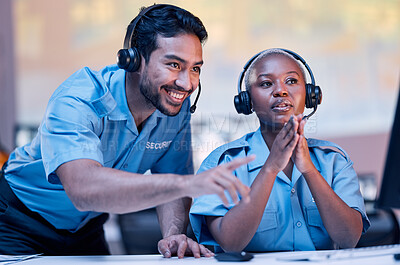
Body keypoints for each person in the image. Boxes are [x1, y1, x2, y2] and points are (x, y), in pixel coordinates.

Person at [0, 4, 253, 257]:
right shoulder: (79, 99)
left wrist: (174, 234)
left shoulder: (174, 106)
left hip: (85, 227)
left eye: (195, 68)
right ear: (134, 60)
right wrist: (190, 183)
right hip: (19, 219)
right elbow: (84, 189)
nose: (187, 84)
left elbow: (173, 178)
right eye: (174, 65)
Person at [189, 48, 370, 253]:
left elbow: (349, 239)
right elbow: (230, 243)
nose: (281, 91)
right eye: (266, 83)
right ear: (247, 102)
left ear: (310, 95)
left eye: (291, 81)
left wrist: (309, 169)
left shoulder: (334, 160)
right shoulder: (222, 163)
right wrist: (270, 167)